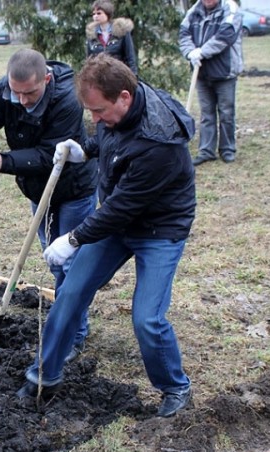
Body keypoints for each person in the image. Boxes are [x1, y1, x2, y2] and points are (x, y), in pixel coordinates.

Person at [17, 54, 196, 420]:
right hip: (117, 220)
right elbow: (112, 137)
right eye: (90, 112)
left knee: (147, 318)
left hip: (159, 228)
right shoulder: (118, 106)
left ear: (125, 98)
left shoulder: (159, 144)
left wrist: (72, 239)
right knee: (70, 293)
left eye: (99, 112)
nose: (95, 120)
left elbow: (120, 208)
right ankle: (45, 377)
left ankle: (175, 387)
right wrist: (86, 148)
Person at [0, 49, 97, 361]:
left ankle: (73, 334)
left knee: (68, 263)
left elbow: (52, 155)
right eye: (16, 92)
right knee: (54, 260)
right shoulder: (5, 89)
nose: (21, 99)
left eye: (30, 93)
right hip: (38, 191)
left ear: (46, 79)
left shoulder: (67, 98)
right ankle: (71, 317)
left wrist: (4, 161)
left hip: (74, 187)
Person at [179, 0, 243, 165]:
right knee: (206, 114)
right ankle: (206, 150)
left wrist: (203, 51)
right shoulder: (194, 10)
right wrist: (190, 53)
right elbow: (184, 33)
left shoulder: (230, 9)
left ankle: (227, 149)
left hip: (224, 71)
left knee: (226, 113)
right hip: (201, 72)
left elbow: (225, 35)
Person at [86, 0, 138, 75]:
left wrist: (133, 77)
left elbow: (130, 57)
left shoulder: (122, 31)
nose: (95, 16)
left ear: (107, 14)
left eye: (99, 13)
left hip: (119, 75)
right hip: (98, 77)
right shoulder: (91, 35)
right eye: (94, 14)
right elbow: (89, 60)